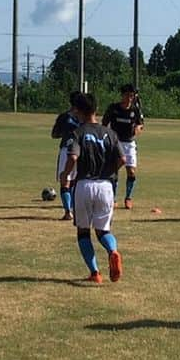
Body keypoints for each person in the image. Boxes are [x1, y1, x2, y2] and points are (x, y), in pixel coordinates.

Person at [60, 92, 125, 284]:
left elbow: (73, 157)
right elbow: (122, 159)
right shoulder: (110, 133)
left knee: (83, 231)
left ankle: (95, 273)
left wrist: (65, 175)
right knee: (103, 231)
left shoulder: (78, 133)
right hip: (106, 186)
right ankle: (113, 251)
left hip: (84, 185)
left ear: (78, 111)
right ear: (96, 109)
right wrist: (109, 170)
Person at [102, 84, 145, 209]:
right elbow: (104, 124)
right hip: (116, 143)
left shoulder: (135, 110)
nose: (129, 98)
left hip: (129, 143)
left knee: (131, 171)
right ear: (122, 95)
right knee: (114, 170)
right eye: (127, 95)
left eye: (131, 96)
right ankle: (113, 198)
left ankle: (128, 198)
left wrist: (137, 129)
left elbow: (140, 124)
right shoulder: (113, 108)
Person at [51, 91, 80, 221]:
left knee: (65, 181)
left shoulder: (64, 117)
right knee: (76, 181)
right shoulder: (85, 117)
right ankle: (75, 209)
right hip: (81, 150)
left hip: (66, 150)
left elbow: (55, 134)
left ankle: (68, 211)